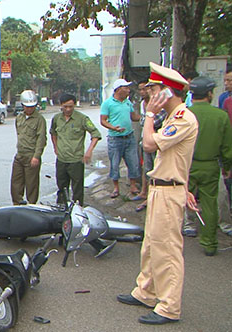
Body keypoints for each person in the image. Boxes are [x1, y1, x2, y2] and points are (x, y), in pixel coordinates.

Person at [117, 62, 199, 325]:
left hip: (168, 191)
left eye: (153, 91)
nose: (149, 96)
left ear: (167, 92)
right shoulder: (172, 119)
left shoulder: (183, 119)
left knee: (167, 252)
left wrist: (149, 116)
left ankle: (169, 306)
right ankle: (147, 292)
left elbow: (150, 145)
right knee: (151, 246)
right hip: (162, 188)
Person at [180, 76, 232, 253]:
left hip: (186, 165)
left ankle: (175, 238)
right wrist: (226, 168)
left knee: (179, 200)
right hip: (210, 166)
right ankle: (209, 244)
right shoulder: (221, 116)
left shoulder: (184, 114)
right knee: (210, 204)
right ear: (209, 94)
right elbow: (227, 148)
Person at [50, 93, 101, 205]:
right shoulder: (56, 118)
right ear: (61, 105)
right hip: (62, 160)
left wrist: (89, 152)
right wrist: (55, 147)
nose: (68, 109)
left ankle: (77, 212)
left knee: (77, 190)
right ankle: (61, 210)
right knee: (62, 188)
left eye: (70, 107)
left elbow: (96, 134)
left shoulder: (82, 119)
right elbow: (53, 133)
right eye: (65, 107)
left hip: (76, 160)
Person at [100, 79, 141, 199]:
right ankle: (116, 188)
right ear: (118, 89)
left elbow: (134, 117)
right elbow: (103, 120)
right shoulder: (108, 103)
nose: (128, 90)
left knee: (133, 162)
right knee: (114, 164)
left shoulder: (128, 103)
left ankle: (133, 186)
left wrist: (148, 117)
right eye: (126, 88)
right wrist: (113, 128)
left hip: (129, 137)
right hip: (115, 138)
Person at [134, 82, 168, 212]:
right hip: (147, 142)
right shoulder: (146, 105)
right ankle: (146, 194)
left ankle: (152, 199)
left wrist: (149, 114)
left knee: (156, 171)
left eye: (153, 90)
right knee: (147, 169)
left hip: (157, 146)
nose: (149, 93)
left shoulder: (163, 109)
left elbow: (149, 121)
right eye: (149, 90)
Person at [10, 90, 47, 205]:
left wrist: (36, 156)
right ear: (22, 106)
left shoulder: (39, 119)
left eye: (32, 107)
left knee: (32, 184)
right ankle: (17, 204)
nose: (30, 109)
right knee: (16, 183)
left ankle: (31, 205)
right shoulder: (19, 117)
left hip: (31, 155)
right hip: (20, 154)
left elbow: (41, 139)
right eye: (27, 107)